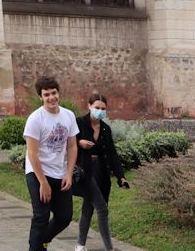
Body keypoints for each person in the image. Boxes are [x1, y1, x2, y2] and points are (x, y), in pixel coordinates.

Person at [24, 76, 80, 251]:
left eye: (53, 93)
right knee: (41, 216)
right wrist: (43, 183)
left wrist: (69, 173)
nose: (51, 98)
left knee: (64, 216)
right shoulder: (35, 119)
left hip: (59, 171)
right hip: (37, 172)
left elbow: (72, 146)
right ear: (41, 97)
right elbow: (32, 154)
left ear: (58, 93)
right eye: (46, 94)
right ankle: (36, 247)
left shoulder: (68, 115)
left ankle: (41, 242)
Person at [71, 91, 127, 251]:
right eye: (97, 107)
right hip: (85, 172)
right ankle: (109, 248)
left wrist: (121, 176)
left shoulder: (105, 129)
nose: (100, 111)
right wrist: (78, 142)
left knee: (88, 209)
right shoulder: (79, 123)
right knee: (102, 209)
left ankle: (80, 245)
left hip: (102, 173)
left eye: (103, 108)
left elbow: (112, 154)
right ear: (89, 106)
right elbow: (67, 143)